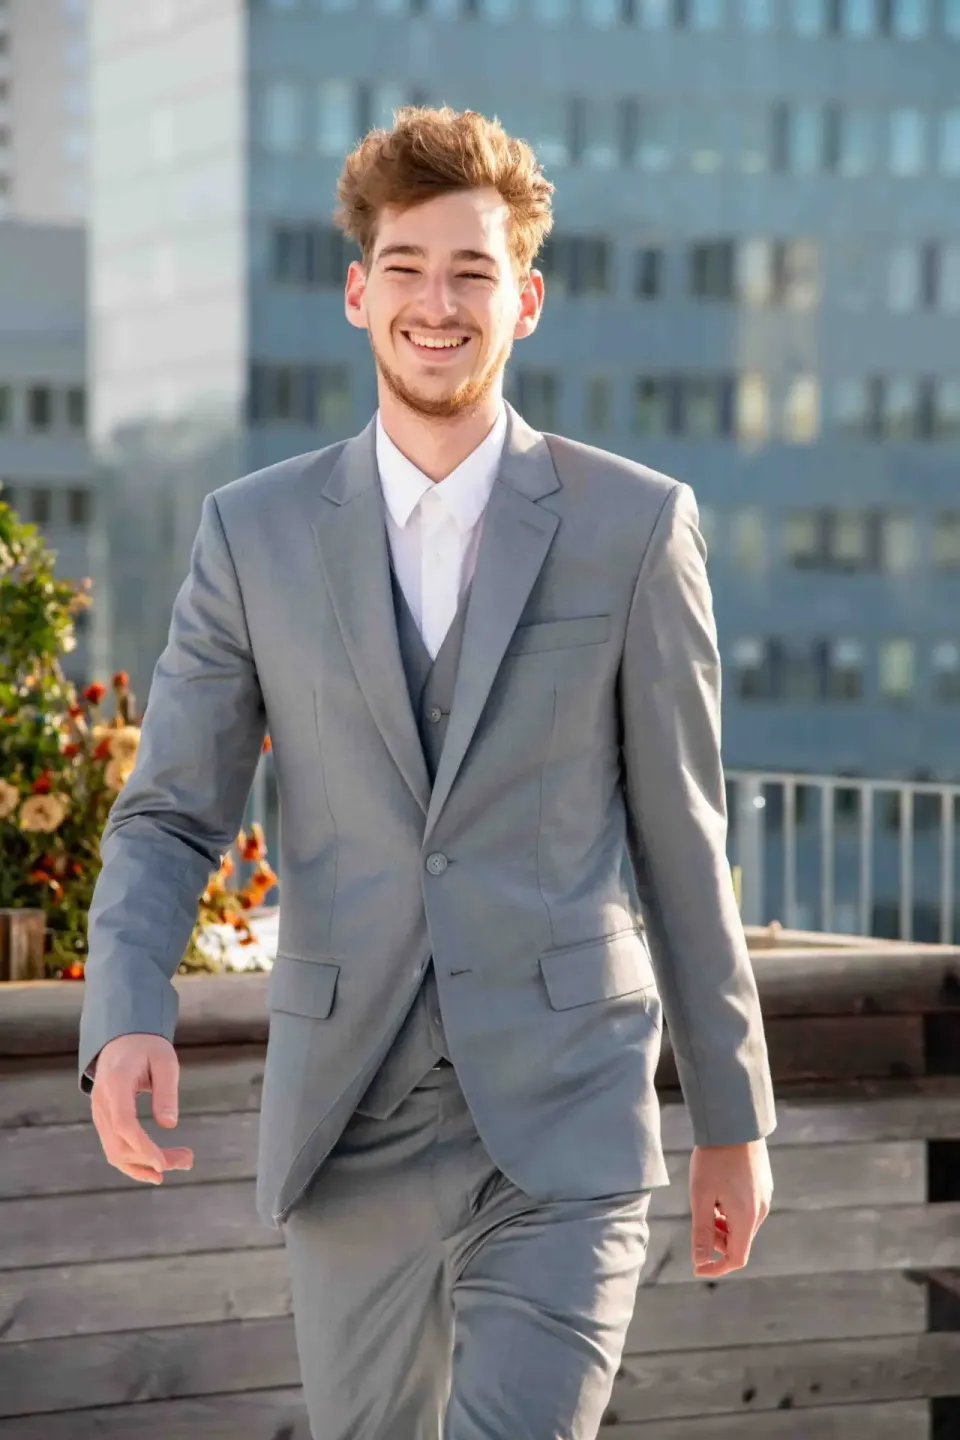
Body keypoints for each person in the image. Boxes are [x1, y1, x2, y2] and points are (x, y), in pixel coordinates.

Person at [79, 105, 776, 1440]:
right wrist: (122, 1016)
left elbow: (683, 838)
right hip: (350, 1120)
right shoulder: (253, 535)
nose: (436, 304)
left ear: (528, 299)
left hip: (569, 1115)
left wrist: (733, 1118)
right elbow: (173, 813)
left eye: (472, 272)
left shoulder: (636, 526)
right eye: (405, 269)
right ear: (358, 293)